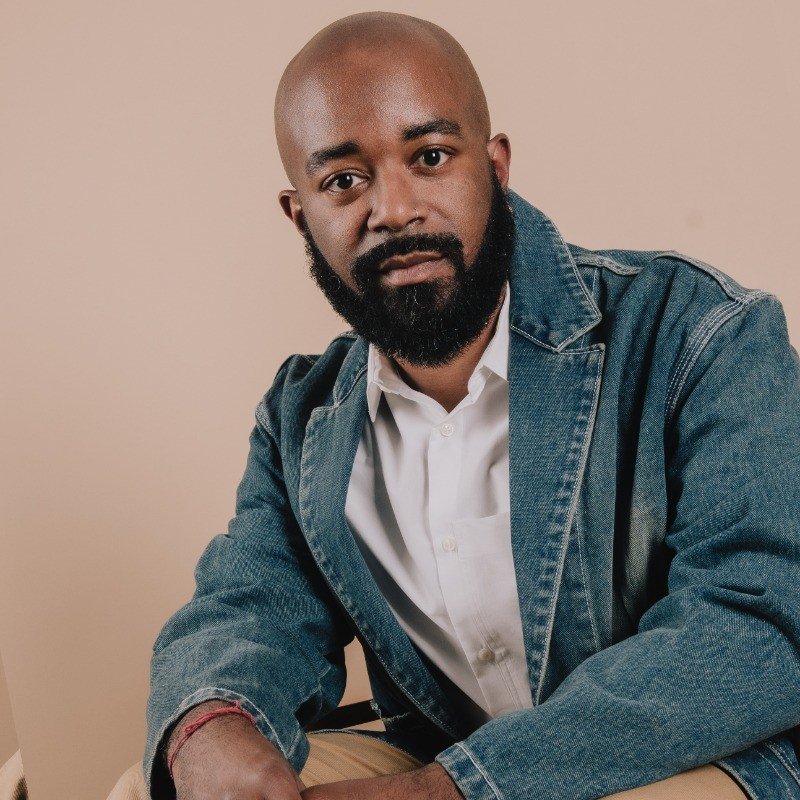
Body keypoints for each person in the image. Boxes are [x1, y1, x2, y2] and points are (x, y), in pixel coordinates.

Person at [125, 11, 800, 800]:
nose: (394, 208)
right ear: (300, 214)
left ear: (495, 166)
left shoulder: (697, 332)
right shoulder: (302, 419)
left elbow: (763, 622)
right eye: (343, 181)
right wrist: (208, 725)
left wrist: (458, 789)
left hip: (690, 765)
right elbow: (248, 608)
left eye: (431, 157)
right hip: (444, 763)